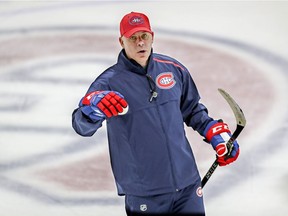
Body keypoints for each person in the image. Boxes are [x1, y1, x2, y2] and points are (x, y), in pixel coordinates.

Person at [72, 12, 240, 216]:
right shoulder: (108, 83)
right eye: (133, 37)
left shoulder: (174, 69)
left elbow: (192, 109)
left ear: (152, 36)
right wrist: (91, 111)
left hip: (187, 184)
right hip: (145, 192)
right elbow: (81, 126)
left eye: (144, 36)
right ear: (121, 41)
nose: (140, 42)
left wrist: (213, 131)